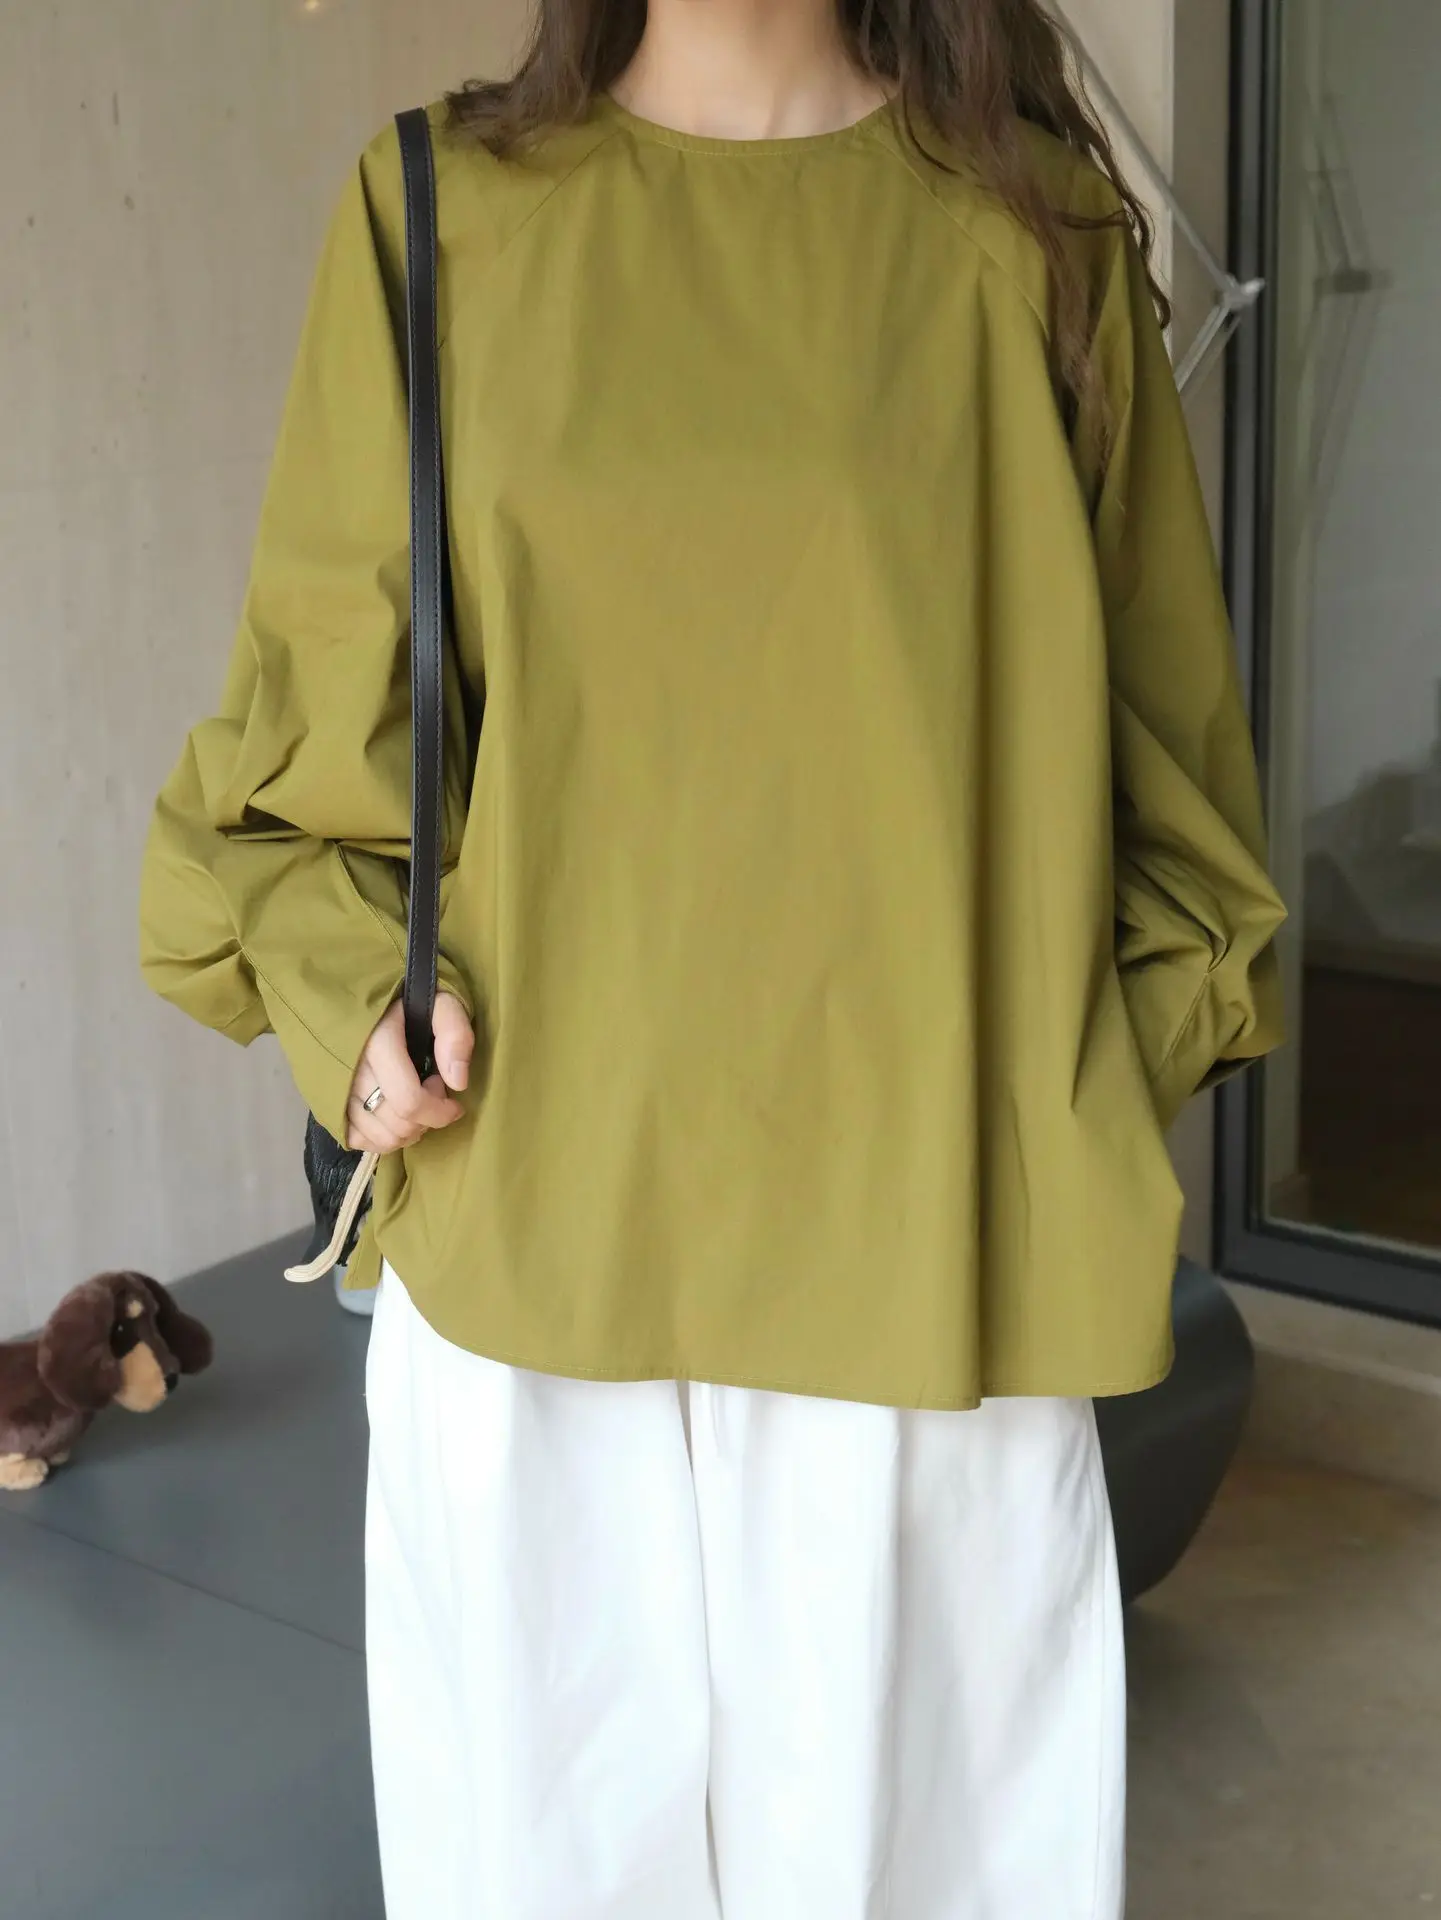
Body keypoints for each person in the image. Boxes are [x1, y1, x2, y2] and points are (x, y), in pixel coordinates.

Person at [138, 0, 1287, 1914]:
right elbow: (305, 773)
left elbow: (1179, 829)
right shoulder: (437, 213)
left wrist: (1033, 1112)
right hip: (533, 1258)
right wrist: (358, 1012)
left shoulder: (1033, 234)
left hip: (929, 1293)